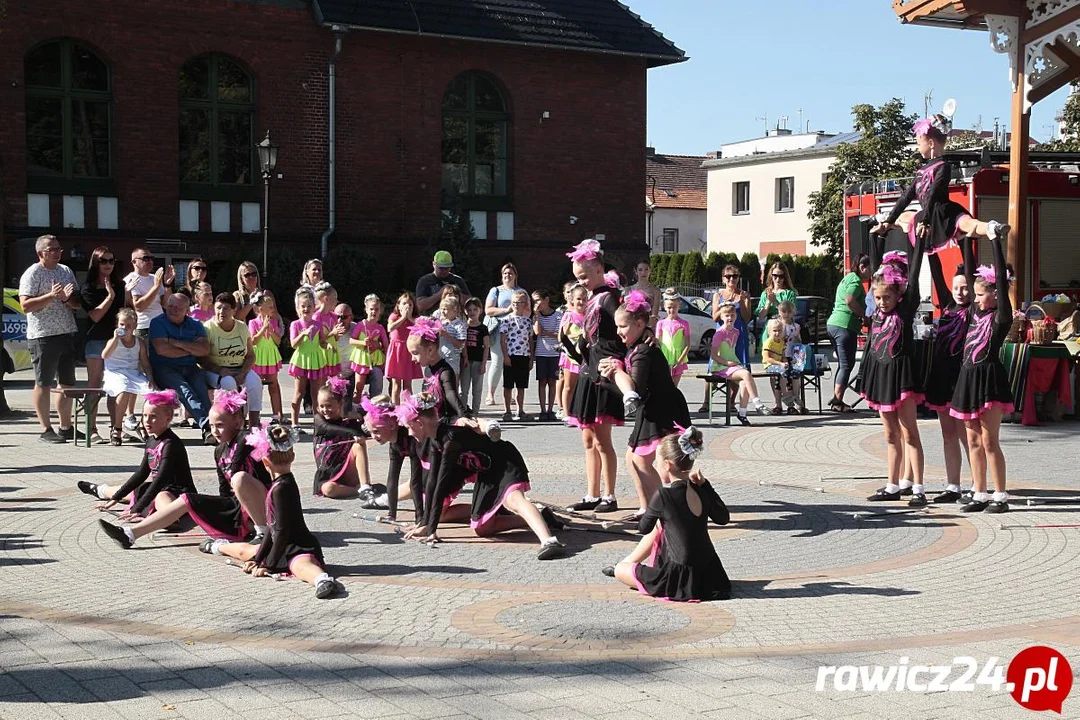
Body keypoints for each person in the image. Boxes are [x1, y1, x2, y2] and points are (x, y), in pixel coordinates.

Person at [398, 392, 567, 560]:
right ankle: (541, 516)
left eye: (408, 427)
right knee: (482, 528)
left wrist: (431, 530)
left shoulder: (450, 440)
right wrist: (426, 524)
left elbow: (441, 486)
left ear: (419, 423)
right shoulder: (435, 440)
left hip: (504, 462)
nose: (409, 433)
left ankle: (549, 541)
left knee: (514, 501)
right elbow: (433, 484)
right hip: (486, 472)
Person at [95, 390, 271, 548]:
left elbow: (237, 464)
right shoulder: (219, 450)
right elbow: (224, 491)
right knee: (187, 499)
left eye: (220, 425)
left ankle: (262, 532)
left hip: (262, 506)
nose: (215, 431)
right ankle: (130, 534)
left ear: (238, 422)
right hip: (239, 508)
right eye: (211, 426)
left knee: (239, 478)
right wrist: (220, 514)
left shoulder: (246, 439)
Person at [205, 421, 347, 599]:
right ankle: (218, 546)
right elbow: (272, 530)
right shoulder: (278, 484)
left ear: (264, 461)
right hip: (278, 542)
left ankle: (322, 580)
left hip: (297, 546)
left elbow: (281, 531)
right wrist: (258, 560)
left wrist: (268, 564)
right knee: (247, 552)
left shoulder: (282, 488)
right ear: (292, 455)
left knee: (301, 566)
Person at [603, 427, 731, 602]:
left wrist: (649, 512)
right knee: (664, 524)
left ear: (668, 465)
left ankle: (625, 565)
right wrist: (706, 485)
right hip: (711, 575)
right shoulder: (700, 489)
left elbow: (643, 528)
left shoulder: (664, 495)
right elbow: (723, 518)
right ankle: (629, 563)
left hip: (678, 577)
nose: (657, 467)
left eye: (657, 463)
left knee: (620, 570)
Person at [600, 290, 691, 519]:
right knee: (632, 459)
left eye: (622, 326)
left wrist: (610, 378)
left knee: (644, 461)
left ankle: (666, 510)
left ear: (639, 324)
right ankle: (647, 508)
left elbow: (636, 391)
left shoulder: (643, 352)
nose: (618, 331)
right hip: (650, 409)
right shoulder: (636, 344)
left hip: (663, 408)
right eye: (617, 326)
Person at [870, 114, 1009, 254]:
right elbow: (906, 196)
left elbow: (934, 194)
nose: (917, 148)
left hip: (943, 212)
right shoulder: (921, 171)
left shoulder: (943, 166)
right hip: (930, 213)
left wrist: (925, 221)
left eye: (919, 144)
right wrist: (890, 220)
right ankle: (885, 219)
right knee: (905, 216)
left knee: (967, 224)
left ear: (930, 144)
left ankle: (991, 227)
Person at [950, 235, 1014, 513]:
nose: (974, 299)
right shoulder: (976, 312)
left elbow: (1001, 278)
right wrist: (965, 238)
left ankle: (1000, 495)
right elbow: (970, 266)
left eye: (979, 294)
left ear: (996, 294)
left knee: (990, 441)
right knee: (973, 440)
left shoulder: (1001, 318)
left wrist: (996, 242)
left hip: (989, 379)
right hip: (968, 378)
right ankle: (980, 492)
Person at [862, 241, 928, 506]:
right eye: (878, 298)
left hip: (902, 377)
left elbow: (912, 278)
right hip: (881, 375)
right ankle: (892, 484)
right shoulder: (877, 312)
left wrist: (918, 242)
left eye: (887, 297)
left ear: (898, 295)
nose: (882, 302)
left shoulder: (904, 308)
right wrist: (877, 234)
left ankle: (919, 488)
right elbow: (876, 270)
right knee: (890, 435)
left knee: (909, 432)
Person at [565, 239, 626, 513]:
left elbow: (626, 323)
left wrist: (646, 336)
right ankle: (592, 493)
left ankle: (610, 495)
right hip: (588, 371)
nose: (582, 281)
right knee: (588, 438)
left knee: (602, 439)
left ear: (599, 269)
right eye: (578, 278)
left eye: (584, 276)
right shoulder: (592, 299)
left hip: (604, 372)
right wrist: (575, 345)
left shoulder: (610, 297)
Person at [78, 390, 196, 517]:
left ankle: (170, 520)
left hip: (177, 492)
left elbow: (160, 479)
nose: (147, 421)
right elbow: (141, 473)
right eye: (144, 415)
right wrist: (115, 499)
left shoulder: (171, 444)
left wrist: (137, 509)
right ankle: (100, 490)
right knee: (133, 491)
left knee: (161, 497)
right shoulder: (151, 440)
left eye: (153, 416)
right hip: (159, 488)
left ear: (168, 418)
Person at [19, 234, 81, 444]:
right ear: (40, 253)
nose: (56, 253)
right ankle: (45, 428)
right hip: (43, 335)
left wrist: (66, 299)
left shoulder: (65, 271)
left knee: (67, 384)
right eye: (51, 249)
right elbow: (25, 306)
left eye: (58, 249)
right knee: (43, 383)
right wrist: (51, 296)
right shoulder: (32, 274)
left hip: (66, 332)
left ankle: (65, 427)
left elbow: (76, 304)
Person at [924, 250, 972, 503]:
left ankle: (978, 483)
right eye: (957, 287)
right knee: (948, 434)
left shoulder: (975, 311)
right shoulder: (947, 304)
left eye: (965, 287)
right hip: (942, 376)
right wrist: (929, 247)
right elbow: (936, 274)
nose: (960, 292)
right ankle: (953, 485)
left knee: (967, 435)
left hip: (962, 378)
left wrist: (965, 240)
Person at [148, 291, 215, 444]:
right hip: (165, 368)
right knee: (186, 392)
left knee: (202, 393)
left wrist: (176, 343)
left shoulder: (195, 324)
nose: (173, 309)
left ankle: (213, 428)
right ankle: (207, 427)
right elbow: (162, 350)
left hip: (190, 367)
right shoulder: (158, 322)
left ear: (187, 309)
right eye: (170, 306)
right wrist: (191, 348)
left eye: (178, 307)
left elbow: (204, 350)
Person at [80, 246, 126, 444]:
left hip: (116, 340)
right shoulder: (87, 288)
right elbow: (96, 316)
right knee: (95, 385)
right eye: (104, 261)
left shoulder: (120, 285)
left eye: (111, 260)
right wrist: (110, 297)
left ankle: (116, 429)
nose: (108, 264)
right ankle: (91, 429)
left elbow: (123, 313)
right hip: (96, 340)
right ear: (96, 263)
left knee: (115, 385)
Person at [201, 293, 262, 428]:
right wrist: (221, 370)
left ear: (234, 310)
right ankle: (233, 423)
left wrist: (242, 373)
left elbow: (251, 355)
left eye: (226, 308)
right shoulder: (207, 328)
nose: (221, 312)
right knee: (229, 383)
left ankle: (253, 425)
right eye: (218, 308)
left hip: (239, 368)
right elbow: (201, 359)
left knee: (255, 382)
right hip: (215, 370)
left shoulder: (241, 327)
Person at [701, 265, 752, 413]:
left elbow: (747, 317)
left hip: (738, 335)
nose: (731, 279)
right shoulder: (719, 295)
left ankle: (731, 401)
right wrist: (725, 307)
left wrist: (741, 301)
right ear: (723, 279)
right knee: (714, 367)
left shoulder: (744, 294)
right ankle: (706, 402)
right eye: (728, 276)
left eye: (735, 276)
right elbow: (714, 317)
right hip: (722, 335)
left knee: (737, 365)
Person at [710, 302, 770, 425]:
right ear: (721, 317)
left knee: (744, 383)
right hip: (721, 366)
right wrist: (727, 362)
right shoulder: (719, 333)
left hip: (733, 365)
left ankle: (742, 413)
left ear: (736, 317)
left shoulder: (736, 332)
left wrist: (734, 362)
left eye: (732, 315)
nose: (729, 318)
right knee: (746, 374)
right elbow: (714, 355)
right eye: (726, 315)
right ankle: (757, 403)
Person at [312, 378, 373, 498]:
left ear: (340, 404)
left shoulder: (348, 423)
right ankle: (357, 491)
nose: (325, 410)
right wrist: (352, 433)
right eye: (321, 406)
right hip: (329, 474)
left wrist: (364, 418)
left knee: (358, 445)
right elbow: (329, 428)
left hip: (347, 471)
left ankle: (365, 486)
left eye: (329, 406)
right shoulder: (319, 421)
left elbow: (366, 431)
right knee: (328, 489)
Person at [826, 253, 871, 413]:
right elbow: (850, 300)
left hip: (834, 324)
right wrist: (864, 317)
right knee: (846, 365)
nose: (870, 273)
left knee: (843, 365)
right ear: (862, 267)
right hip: (844, 326)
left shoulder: (847, 278)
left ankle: (837, 400)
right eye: (869, 269)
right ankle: (837, 402)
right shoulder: (855, 280)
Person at [101, 308, 153, 446]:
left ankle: (143, 424)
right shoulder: (113, 340)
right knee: (123, 390)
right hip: (114, 372)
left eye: (129, 326)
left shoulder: (139, 342)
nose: (125, 328)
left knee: (151, 393)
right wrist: (115, 338)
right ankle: (117, 429)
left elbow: (145, 363)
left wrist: (151, 380)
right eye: (122, 324)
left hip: (133, 373)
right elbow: (105, 355)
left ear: (135, 327)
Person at [407, 317, 468, 423]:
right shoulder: (428, 370)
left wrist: (463, 416)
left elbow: (451, 394)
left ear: (430, 350)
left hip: (447, 422)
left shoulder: (445, 372)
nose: (412, 359)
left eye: (415, 353)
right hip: (433, 422)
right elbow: (428, 396)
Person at [484, 263, 523, 405]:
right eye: (505, 273)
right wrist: (506, 310)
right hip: (498, 330)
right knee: (497, 360)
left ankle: (510, 394)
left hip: (517, 331)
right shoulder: (496, 290)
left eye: (511, 273)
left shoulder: (521, 292)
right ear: (502, 276)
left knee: (513, 361)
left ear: (515, 275)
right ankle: (490, 394)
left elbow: (527, 311)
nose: (508, 276)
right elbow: (488, 310)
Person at [288, 288, 328, 427]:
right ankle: (295, 422)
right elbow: (293, 344)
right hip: (301, 360)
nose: (306, 309)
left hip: (315, 360)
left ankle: (319, 422)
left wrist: (327, 345)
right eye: (303, 306)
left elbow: (322, 341)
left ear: (314, 308)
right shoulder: (296, 324)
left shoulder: (318, 324)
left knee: (316, 393)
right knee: (299, 392)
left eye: (309, 306)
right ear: (298, 308)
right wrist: (303, 334)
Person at [248, 290, 284, 422]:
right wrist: (263, 329)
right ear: (260, 308)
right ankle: (255, 415)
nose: (272, 309)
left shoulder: (273, 322)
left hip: (270, 356)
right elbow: (253, 341)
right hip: (258, 357)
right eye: (269, 306)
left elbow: (278, 341)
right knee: (257, 386)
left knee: (273, 385)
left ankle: (277, 415)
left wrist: (270, 330)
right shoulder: (253, 323)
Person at [500, 290, 534, 422]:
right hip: (511, 355)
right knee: (508, 385)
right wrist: (505, 356)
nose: (516, 305)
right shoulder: (506, 320)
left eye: (519, 302)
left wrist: (531, 357)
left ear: (525, 304)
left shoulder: (527, 321)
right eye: (513, 302)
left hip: (524, 355)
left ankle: (520, 410)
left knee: (521, 385)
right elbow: (503, 339)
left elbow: (530, 340)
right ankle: (507, 410)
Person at [124, 247, 172, 337]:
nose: (150, 261)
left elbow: (166, 304)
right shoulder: (131, 279)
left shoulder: (154, 278)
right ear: (134, 262)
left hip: (161, 325)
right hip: (144, 328)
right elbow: (139, 307)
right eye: (146, 258)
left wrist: (167, 285)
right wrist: (156, 287)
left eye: (152, 258)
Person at [349, 294, 389, 402]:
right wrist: (362, 342)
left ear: (380, 311)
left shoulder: (380, 328)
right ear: (366, 310)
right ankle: (355, 408)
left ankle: (373, 408)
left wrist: (380, 347)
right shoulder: (361, 325)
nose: (374, 312)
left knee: (377, 383)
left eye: (377, 309)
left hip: (374, 360)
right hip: (361, 359)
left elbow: (386, 345)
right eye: (371, 309)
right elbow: (351, 341)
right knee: (359, 386)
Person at [532, 288, 562, 422]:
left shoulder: (557, 315)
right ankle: (543, 410)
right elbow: (538, 332)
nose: (536, 303)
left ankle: (551, 409)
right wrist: (537, 316)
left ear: (546, 300)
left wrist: (547, 333)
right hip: (541, 352)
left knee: (552, 381)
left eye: (538, 300)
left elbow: (559, 335)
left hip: (554, 353)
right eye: (534, 301)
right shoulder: (536, 316)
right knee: (542, 381)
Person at [385, 292, 421, 404]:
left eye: (410, 304)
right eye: (404, 303)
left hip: (408, 352)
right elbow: (390, 328)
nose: (407, 306)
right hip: (396, 351)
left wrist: (409, 317)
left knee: (408, 385)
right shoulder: (394, 316)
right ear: (398, 305)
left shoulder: (415, 318)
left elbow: (421, 327)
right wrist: (403, 318)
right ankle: (395, 408)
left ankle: (409, 407)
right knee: (396, 384)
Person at [557, 285, 586, 420]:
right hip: (571, 355)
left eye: (584, 299)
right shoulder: (569, 315)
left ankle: (579, 412)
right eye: (578, 299)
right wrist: (568, 331)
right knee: (569, 386)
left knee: (582, 386)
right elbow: (560, 336)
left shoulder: (589, 315)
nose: (581, 302)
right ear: (572, 300)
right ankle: (566, 413)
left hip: (585, 356)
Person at [755, 261, 797, 351]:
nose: (778, 279)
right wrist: (768, 303)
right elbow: (761, 316)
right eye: (775, 276)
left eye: (781, 276)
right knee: (768, 360)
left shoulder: (789, 293)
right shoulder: (765, 293)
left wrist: (775, 302)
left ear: (785, 277)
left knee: (784, 359)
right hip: (769, 328)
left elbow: (790, 313)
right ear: (771, 276)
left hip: (784, 328)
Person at [762, 319, 801, 414]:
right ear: (769, 331)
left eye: (779, 330)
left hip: (780, 364)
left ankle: (795, 397)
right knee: (782, 372)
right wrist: (780, 364)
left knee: (794, 372)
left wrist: (785, 362)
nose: (777, 333)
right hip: (770, 365)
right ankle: (785, 394)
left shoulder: (781, 342)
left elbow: (783, 355)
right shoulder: (769, 342)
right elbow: (767, 358)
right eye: (775, 330)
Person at [415, 250, 471, 315]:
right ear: (434, 264)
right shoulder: (425, 281)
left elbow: (469, 302)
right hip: (431, 319)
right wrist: (440, 294)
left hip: (454, 320)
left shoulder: (457, 280)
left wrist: (456, 293)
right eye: (441, 268)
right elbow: (420, 306)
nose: (444, 271)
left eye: (446, 268)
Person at [460, 297, 490, 414]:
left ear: (480, 311)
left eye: (474, 309)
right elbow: (462, 343)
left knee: (477, 389)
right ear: (465, 311)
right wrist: (465, 357)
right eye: (469, 310)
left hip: (478, 362)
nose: (472, 312)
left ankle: (475, 413)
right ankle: (462, 412)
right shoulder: (463, 326)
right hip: (466, 362)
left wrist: (484, 364)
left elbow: (486, 346)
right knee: (463, 389)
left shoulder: (483, 328)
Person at [656, 288, 690, 387]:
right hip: (664, 358)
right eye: (669, 307)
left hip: (678, 359)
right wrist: (660, 360)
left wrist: (679, 361)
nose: (672, 310)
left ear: (679, 306)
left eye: (674, 307)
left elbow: (687, 345)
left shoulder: (684, 324)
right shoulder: (661, 323)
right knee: (663, 386)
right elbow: (657, 343)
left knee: (673, 388)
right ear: (665, 307)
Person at [437, 296, 467, 377]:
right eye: (442, 309)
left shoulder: (460, 325)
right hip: (439, 357)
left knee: (452, 382)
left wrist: (446, 335)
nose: (442, 312)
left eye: (445, 309)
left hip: (452, 358)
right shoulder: (440, 323)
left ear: (454, 309)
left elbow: (460, 345)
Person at [628, 258, 662, 328]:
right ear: (636, 271)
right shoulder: (629, 289)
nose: (643, 272)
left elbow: (654, 315)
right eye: (640, 270)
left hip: (648, 326)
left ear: (650, 271)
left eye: (646, 269)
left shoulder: (656, 291)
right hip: (632, 325)